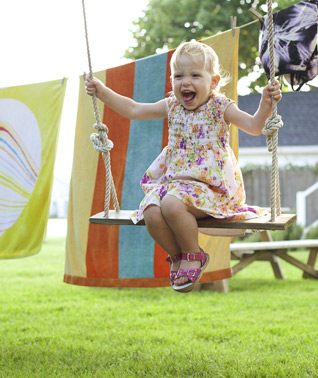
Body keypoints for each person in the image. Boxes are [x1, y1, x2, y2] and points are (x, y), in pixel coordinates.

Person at [85, 41, 282, 293]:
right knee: (152, 210)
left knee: (169, 202)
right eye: (178, 76)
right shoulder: (172, 106)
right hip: (177, 188)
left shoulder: (220, 107)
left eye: (195, 75)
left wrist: (266, 103)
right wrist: (102, 92)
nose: (185, 82)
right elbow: (133, 109)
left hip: (212, 190)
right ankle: (179, 257)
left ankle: (193, 253)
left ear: (213, 82)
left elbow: (255, 126)